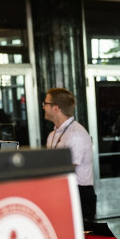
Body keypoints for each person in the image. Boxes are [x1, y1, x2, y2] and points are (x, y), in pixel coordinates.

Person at [44, 88, 96, 221]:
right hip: (62, 191)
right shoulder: (52, 134)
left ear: (56, 108)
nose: (43, 107)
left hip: (80, 194)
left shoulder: (76, 134)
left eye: (45, 103)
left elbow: (67, 167)